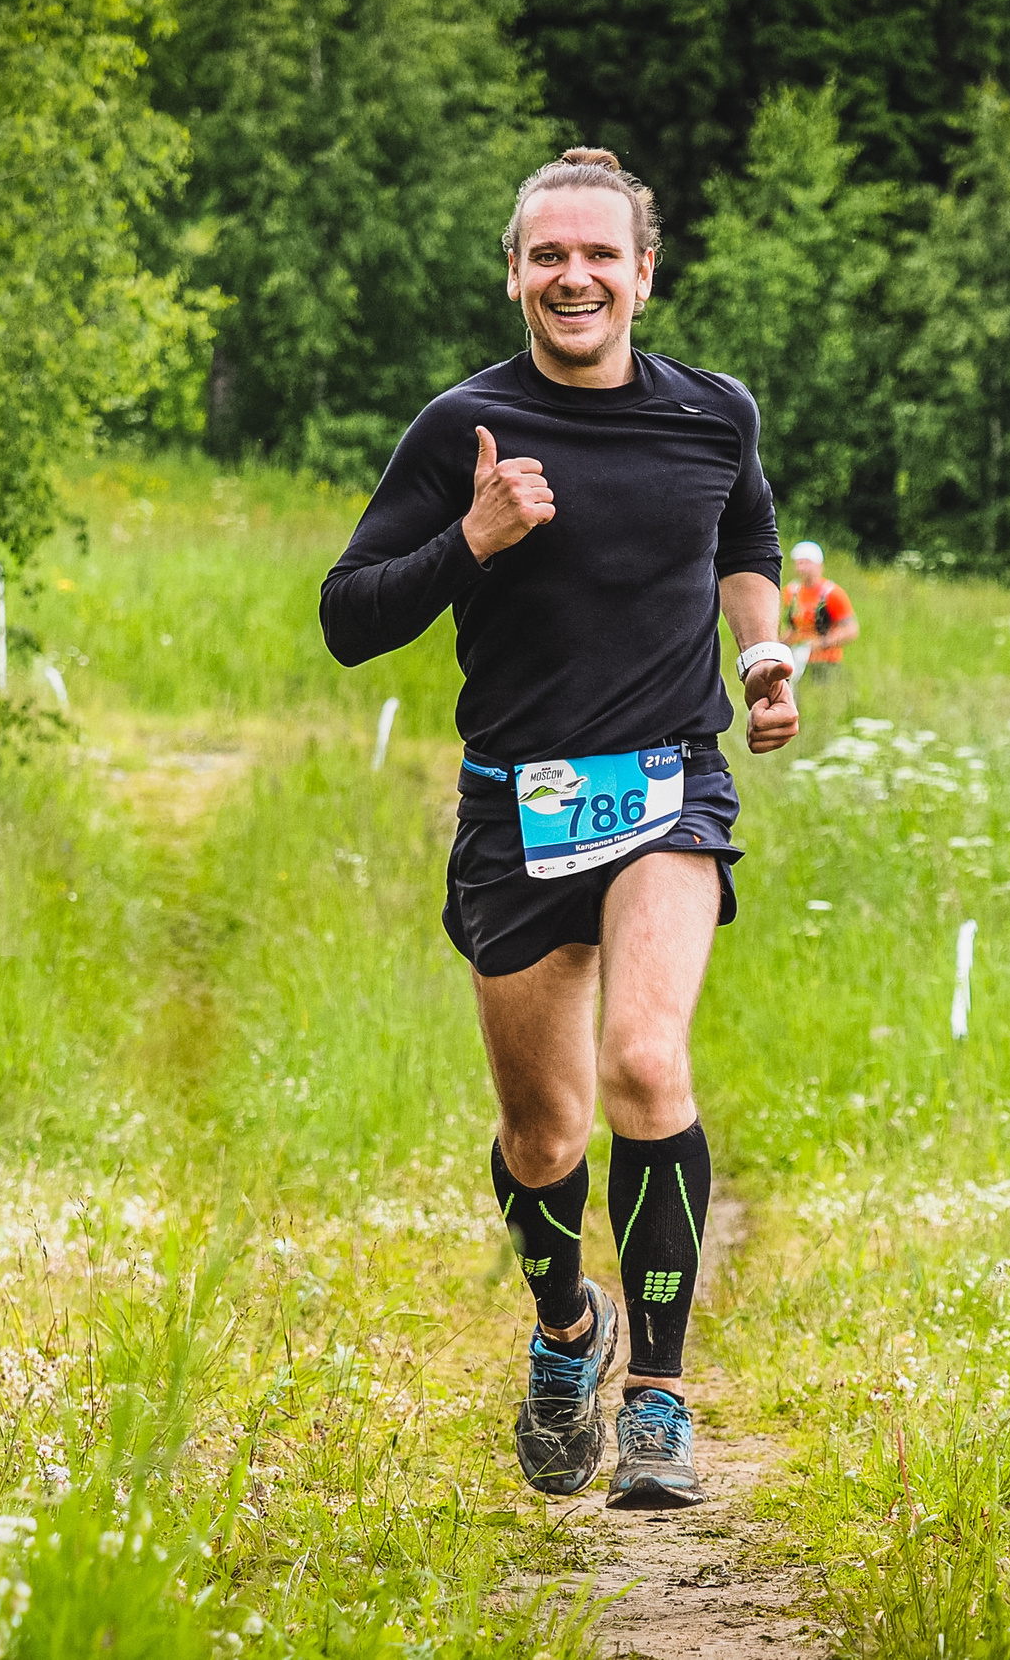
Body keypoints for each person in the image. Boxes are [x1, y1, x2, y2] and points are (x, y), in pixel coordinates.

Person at [318, 148, 798, 1508]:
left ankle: (657, 1394)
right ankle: (565, 1329)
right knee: (543, 1136)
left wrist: (763, 657)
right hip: (513, 809)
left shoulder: (714, 414)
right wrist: (471, 537)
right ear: (516, 273)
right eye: (547, 256)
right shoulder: (460, 426)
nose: (574, 277)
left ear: (645, 271)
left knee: (649, 1058)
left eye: (600, 254)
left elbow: (744, 535)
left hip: (667, 784)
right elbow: (351, 618)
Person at [777, 541, 857, 680]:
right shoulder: (791, 592)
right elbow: (794, 627)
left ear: (819, 565)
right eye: (798, 563)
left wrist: (821, 643)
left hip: (825, 662)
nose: (802, 567)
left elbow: (851, 630)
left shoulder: (831, 593)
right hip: (796, 660)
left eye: (806, 563)